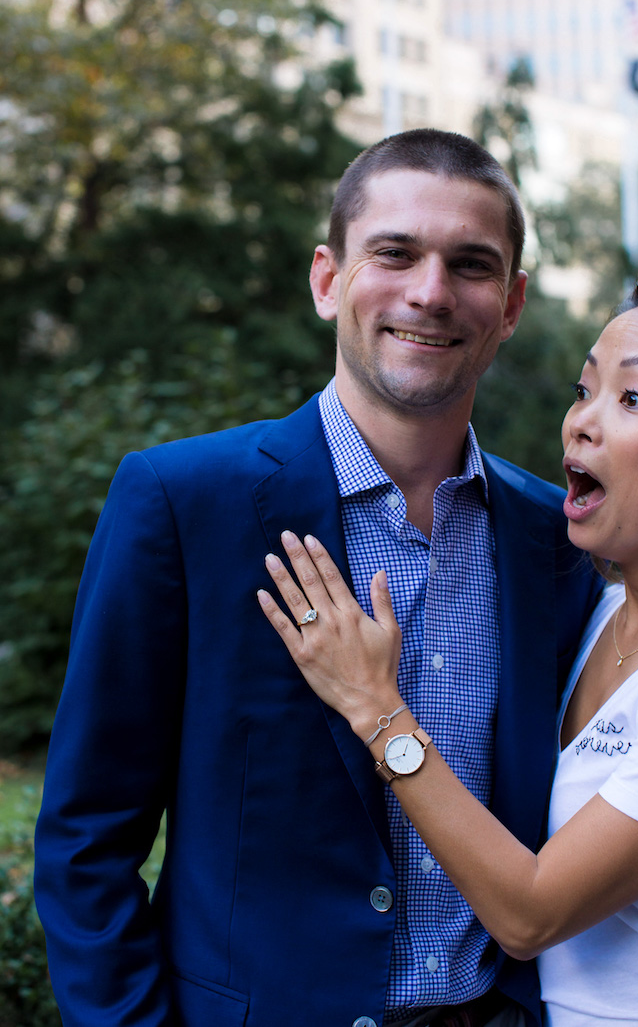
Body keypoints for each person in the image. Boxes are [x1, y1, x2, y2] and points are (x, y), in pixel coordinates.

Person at [34, 129, 602, 1027]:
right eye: (395, 252)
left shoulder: (560, 539)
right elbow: (85, 839)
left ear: (513, 303)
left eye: (471, 264)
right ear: (327, 278)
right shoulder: (184, 504)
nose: (430, 291)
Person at [258, 274, 638, 1026]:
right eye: (584, 390)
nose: (581, 423)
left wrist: (376, 706)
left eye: (634, 400)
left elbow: (528, 915)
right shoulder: (594, 611)